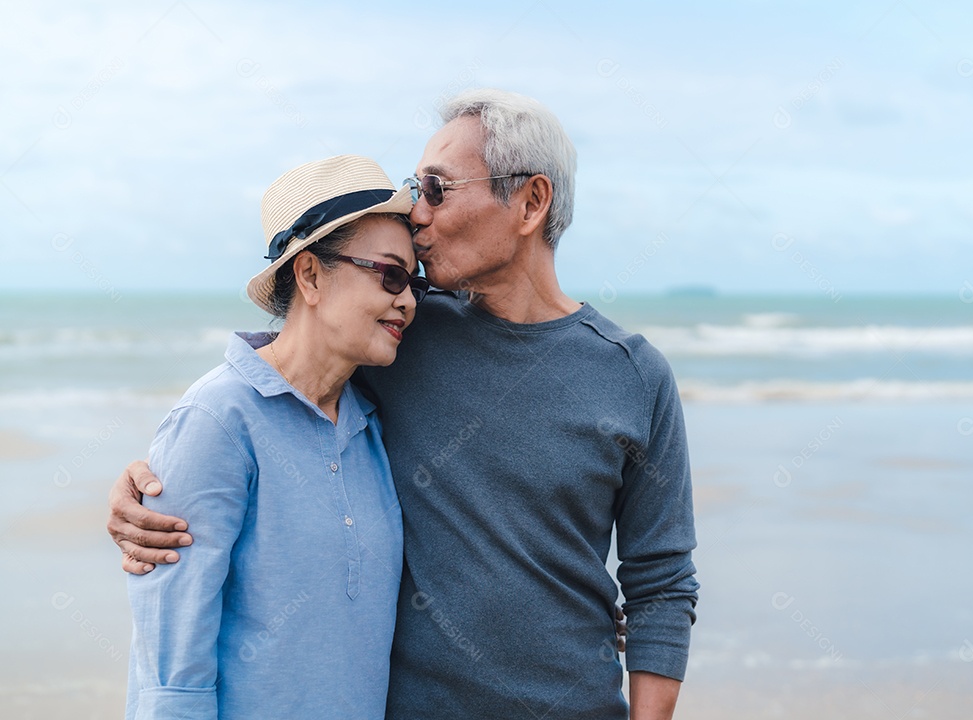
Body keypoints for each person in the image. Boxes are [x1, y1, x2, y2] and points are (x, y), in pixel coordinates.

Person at [110, 89, 698, 720]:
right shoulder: (397, 342)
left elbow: (662, 583)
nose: (417, 212)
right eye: (415, 188)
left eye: (437, 189)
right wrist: (158, 481)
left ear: (529, 202)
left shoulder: (634, 376)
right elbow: (283, 370)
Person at [124, 155, 429, 719]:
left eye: (415, 282)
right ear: (310, 275)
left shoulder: (372, 426)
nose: (408, 300)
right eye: (389, 275)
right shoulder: (216, 420)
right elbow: (169, 667)